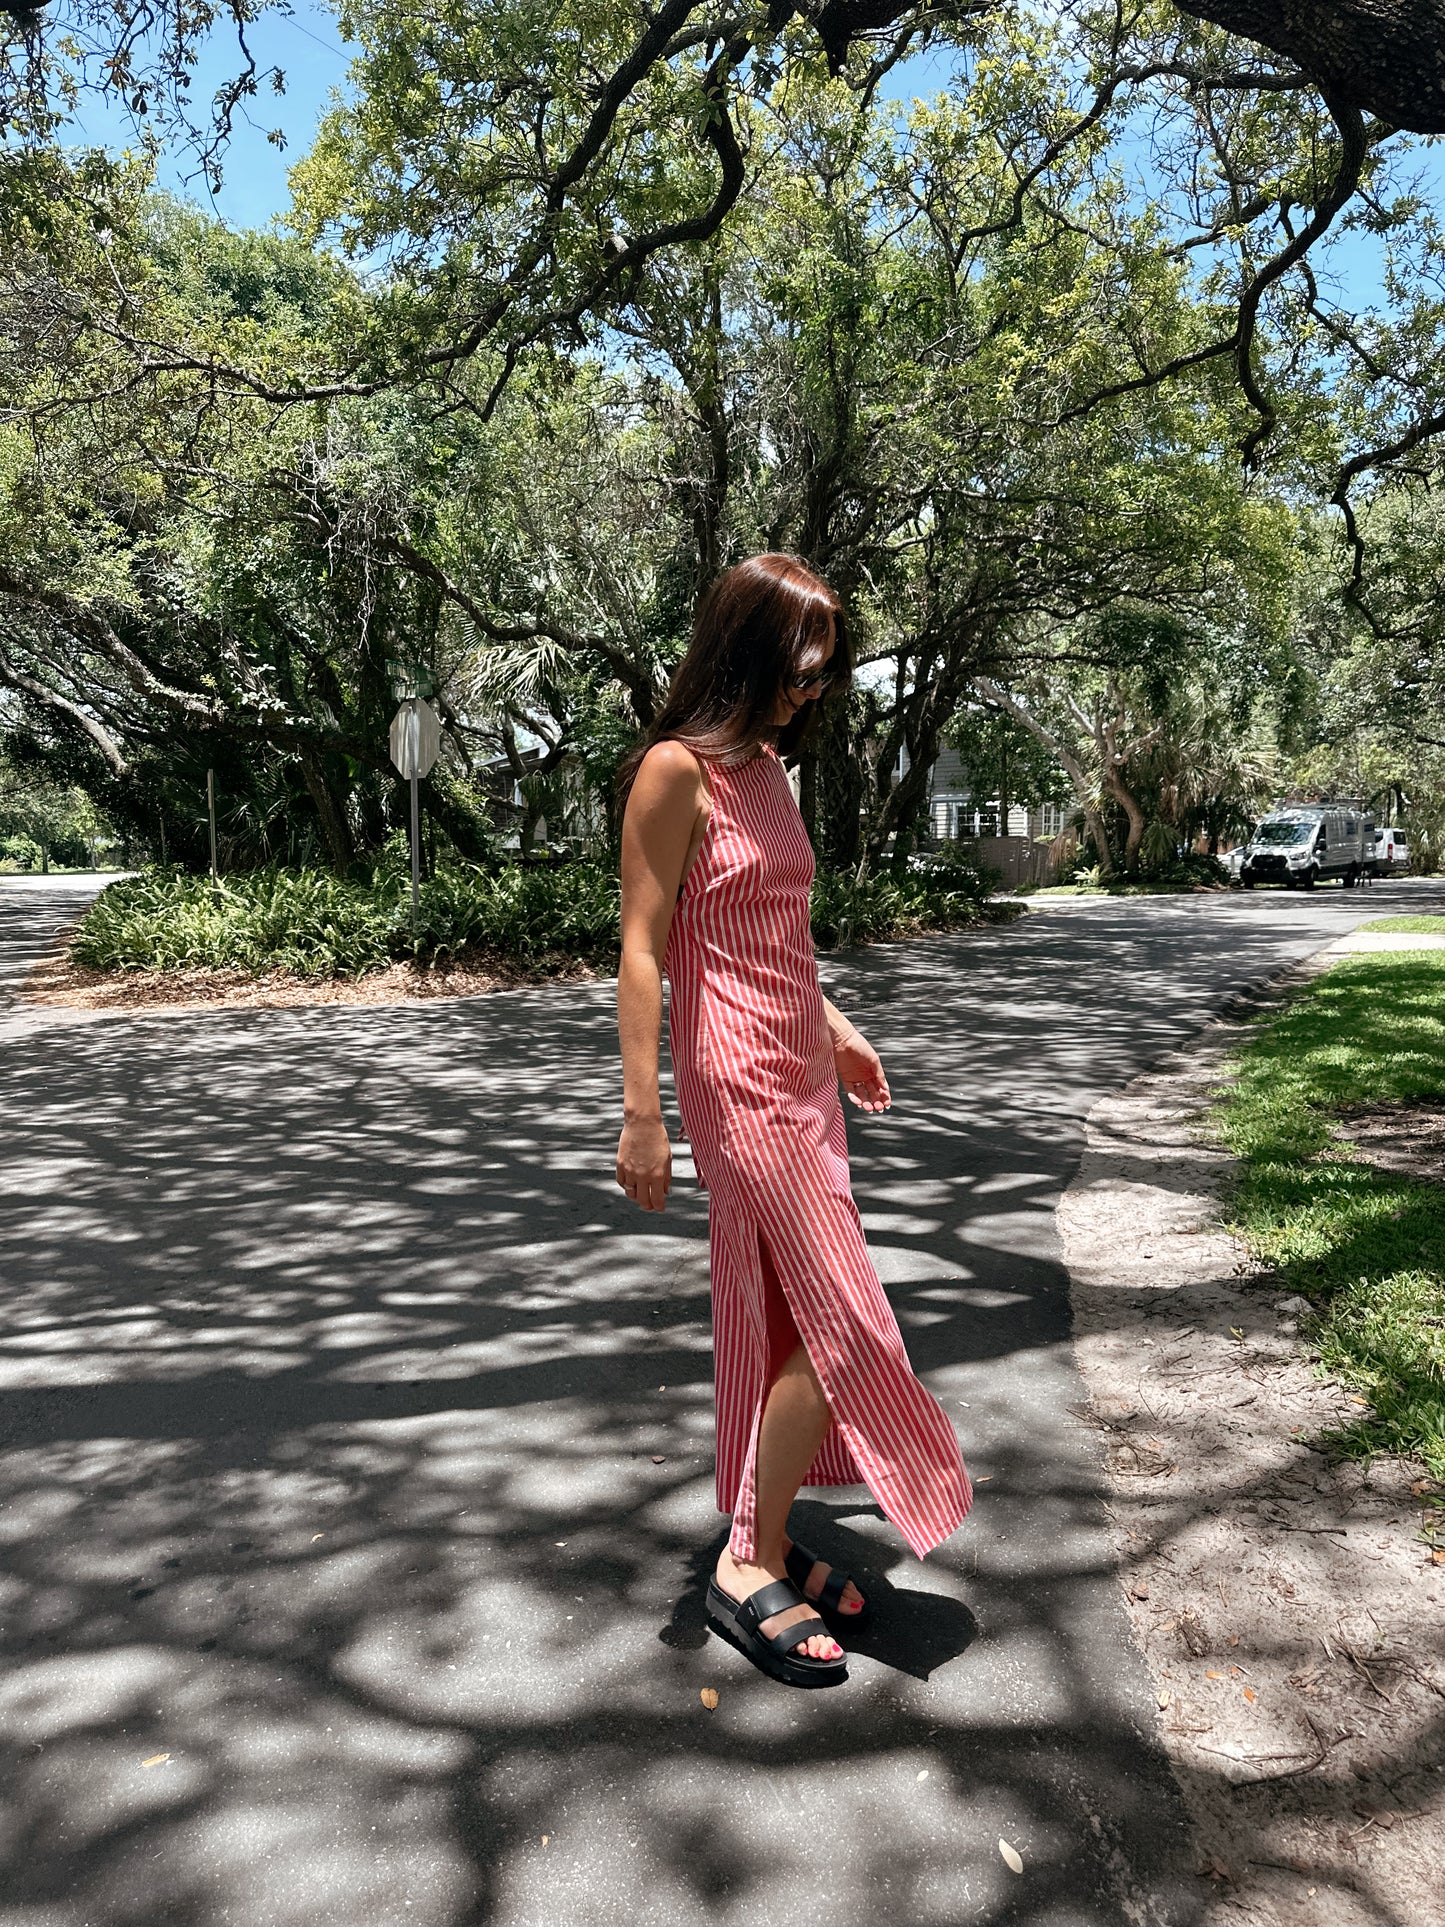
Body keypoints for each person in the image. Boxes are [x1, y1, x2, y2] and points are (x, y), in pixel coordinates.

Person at [615, 554, 971, 1686]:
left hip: (800, 1072)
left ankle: (762, 1536)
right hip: (738, 1083)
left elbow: (770, 934)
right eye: (801, 665)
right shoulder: (675, 773)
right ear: (748, 651)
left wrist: (838, 1024)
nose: (814, 687)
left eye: (824, 670)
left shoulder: (767, 771)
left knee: (783, 1313)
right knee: (840, 1321)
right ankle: (747, 1561)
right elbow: (641, 946)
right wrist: (640, 1113)